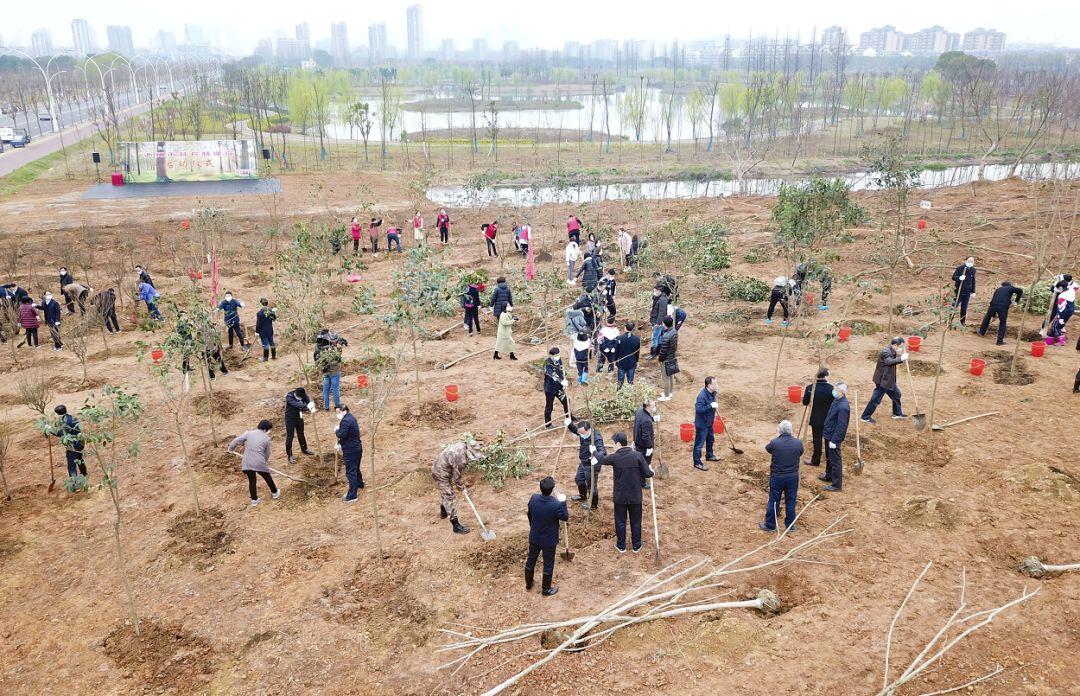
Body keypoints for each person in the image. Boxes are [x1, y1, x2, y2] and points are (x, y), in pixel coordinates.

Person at [602, 432, 654, 553]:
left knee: (620, 521)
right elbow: (647, 473)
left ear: (618, 444)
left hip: (620, 497)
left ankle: (621, 546)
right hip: (635, 496)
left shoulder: (615, 457)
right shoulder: (637, 456)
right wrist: (652, 472)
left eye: (614, 444)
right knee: (636, 521)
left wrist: (593, 452)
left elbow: (602, 460)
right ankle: (636, 545)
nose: (613, 446)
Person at [525, 476, 569, 596]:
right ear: (552, 490)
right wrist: (563, 502)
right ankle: (546, 589)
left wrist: (532, 525)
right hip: (549, 540)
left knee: (531, 560)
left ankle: (528, 584)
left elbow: (529, 513)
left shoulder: (533, 498)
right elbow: (565, 517)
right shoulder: (556, 504)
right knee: (548, 564)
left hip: (534, 536)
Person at [432, 438, 485, 534]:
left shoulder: (463, 446)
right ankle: (455, 525)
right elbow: (456, 479)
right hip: (440, 473)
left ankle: (443, 511)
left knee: (445, 492)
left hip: (441, 466)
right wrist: (462, 488)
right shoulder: (460, 459)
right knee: (450, 496)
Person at [760, 420, 803, 532]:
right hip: (792, 477)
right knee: (791, 500)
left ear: (779, 430)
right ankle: (790, 525)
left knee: (774, 500)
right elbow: (800, 452)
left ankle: (770, 525)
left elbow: (768, 448)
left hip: (777, 477)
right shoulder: (798, 443)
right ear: (790, 431)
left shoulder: (775, 443)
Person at [228, 420, 280, 507]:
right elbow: (266, 454)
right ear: (266, 429)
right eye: (269, 430)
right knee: (267, 477)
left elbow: (237, 440)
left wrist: (231, 449)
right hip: (259, 462)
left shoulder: (249, 433)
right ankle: (275, 493)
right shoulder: (267, 439)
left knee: (252, 480)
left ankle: (254, 500)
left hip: (247, 462)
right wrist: (264, 463)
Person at [860, 337, 908, 424]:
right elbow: (889, 361)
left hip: (889, 380)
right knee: (875, 399)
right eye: (899, 347)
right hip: (883, 381)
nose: (900, 349)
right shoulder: (886, 352)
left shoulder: (892, 350)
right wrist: (901, 358)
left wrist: (900, 357)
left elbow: (892, 361)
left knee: (896, 394)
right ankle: (865, 417)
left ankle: (897, 413)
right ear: (894, 345)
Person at [568, 420, 606, 509]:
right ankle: (582, 496)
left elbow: (603, 453)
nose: (581, 435)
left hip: (592, 464)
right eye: (580, 433)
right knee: (579, 479)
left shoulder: (596, 438)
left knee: (591, 485)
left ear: (589, 430)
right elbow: (575, 430)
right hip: (583, 461)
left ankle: (593, 504)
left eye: (583, 433)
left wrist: (595, 454)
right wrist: (569, 424)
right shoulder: (582, 433)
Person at [820, 382, 850, 492]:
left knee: (835, 460)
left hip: (833, 437)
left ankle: (837, 484)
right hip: (828, 434)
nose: (834, 391)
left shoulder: (843, 406)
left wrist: (835, 440)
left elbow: (842, 426)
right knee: (829, 457)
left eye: (836, 389)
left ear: (841, 392)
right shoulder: (837, 400)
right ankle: (829, 475)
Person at [801, 368, 834, 467]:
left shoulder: (810, 388)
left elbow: (805, 402)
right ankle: (829, 461)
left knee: (817, 439)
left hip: (815, 419)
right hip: (828, 418)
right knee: (828, 439)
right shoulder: (831, 389)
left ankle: (816, 459)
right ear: (826, 376)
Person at [978, 281, 1024, 345]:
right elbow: (1020, 291)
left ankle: (981, 332)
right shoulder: (1010, 288)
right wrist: (1016, 301)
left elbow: (993, 299)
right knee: (1002, 322)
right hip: (1002, 306)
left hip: (993, 305)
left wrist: (993, 315)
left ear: (1002, 285)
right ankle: (999, 341)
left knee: (987, 317)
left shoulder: (998, 289)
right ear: (1009, 285)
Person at [335, 405, 364, 501]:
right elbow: (348, 435)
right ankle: (360, 483)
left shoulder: (346, 421)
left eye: (338, 412)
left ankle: (352, 496)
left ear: (344, 411)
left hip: (351, 450)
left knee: (350, 472)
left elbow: (342, 434)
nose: (337, 414)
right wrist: (340, 444)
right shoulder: (350, 417)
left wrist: (337, 431)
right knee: (355, 467)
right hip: (357, 448)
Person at [315, 328, 347, 410]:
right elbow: (337, 358)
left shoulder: (318, 346)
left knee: (326, 390)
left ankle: (326, 407)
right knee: (335, 389)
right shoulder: (330, 348)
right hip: (334, 371)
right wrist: (339, 348)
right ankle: (337, 406)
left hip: (325, 372)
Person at [692, 376, 720, 471]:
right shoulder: (701, 396)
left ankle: (709, 455)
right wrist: (710, 406)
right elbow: (699, 409)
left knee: (710, 439)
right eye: (715, 384)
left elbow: (713, 401)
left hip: (709, 422)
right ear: (709, 385)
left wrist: (714, 405)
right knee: (699, 445)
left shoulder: (713, 392)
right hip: (702, 424)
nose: (717, 385)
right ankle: (697, 462)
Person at [283, 387, 316, 464]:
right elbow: (297, 404)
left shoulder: (303, 395)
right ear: (295, 393)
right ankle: (290, 455)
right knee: (290, 436)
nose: (300, 398)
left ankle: (304, 449)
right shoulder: (289, 396)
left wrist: (311, 406)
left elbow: (308, 401)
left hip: (299, 416)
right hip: (290, 418)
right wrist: (307, 406)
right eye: (299, 397)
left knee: (301, 433)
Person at [53, 405, 86, 478]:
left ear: (58, 414)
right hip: (80, 443)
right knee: (79, 458)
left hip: (72, 446)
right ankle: (84, 473)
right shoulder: (73, 418)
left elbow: (61, 434)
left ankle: (74, 484)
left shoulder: (63, 422)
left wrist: (50, 430)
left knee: (71, 464)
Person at [543, 347, 571, 428]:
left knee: (566, 402)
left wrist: (564, 381)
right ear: (551, 355)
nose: (558, 356)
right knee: (549, 406)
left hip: (559, 388)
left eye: (558, 354)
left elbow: (561, 371)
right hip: (550, 388)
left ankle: (569, 417)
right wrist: (561, 381)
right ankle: (548, 424)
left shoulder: (559, 360)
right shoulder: (547, 364)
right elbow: (552, 375)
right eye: (556, 355)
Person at [632, 399, 656, 489]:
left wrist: (653, 419)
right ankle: (642, 483)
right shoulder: (646, 421)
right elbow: (645, 437)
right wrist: (649, 447)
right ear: (648, 407)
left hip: (637, 441)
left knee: (641, 462)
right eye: (653, 406)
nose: (654, 408)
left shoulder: (640, 411)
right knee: (644, 463)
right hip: (643, 446)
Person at [1047, 280, 1077, 346]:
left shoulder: (1062, 296)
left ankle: (1061, 341)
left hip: (1064, 313)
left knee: (1055, 326)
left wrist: (1061, 318)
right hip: (1070, 310)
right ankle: (1049, 341)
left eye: (1058, 288)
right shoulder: (1071, 290)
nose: (1057, 290)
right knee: (1055, 325)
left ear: (1061, 288)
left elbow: (1062, 309)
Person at [656, 316, 679, 401]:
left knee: (666, 378)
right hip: (672, 356)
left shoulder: (666, 336)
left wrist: (660, 359)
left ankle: (666, 395)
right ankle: (670, 392)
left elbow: (663, 351)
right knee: (671, 375)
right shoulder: (674, 331)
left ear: (665, 324)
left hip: (666, 358)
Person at [951, 256, 977, 325]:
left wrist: (973, 291)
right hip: (958, 291)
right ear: (966, 261)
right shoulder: (960, 268)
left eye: (972, 262)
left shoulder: (973, 270)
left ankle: (962, 322)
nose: (970, 263)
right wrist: (959, 278)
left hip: (967, 292)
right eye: (969, 261)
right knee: (954, 306)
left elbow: (973, 281)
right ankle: (949, 320)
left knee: (964, 308)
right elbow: (953, 277)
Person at [615, 321, 640, 389]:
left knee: (620, 380)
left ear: (625, 328)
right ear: (632, 329)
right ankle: (629, 394)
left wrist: (615, 360)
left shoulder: (620, 338)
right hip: (632, 362)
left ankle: (619, 394)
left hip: (621, 362)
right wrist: (636, 360)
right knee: (630, 381)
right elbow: (637, 352)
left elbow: (616, 351)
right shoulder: (637, 339)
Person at [648, 286, 670, 359]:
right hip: (655, 320)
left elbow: (662, 312)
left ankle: (653, 353)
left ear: (659, 291)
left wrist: (658, 323)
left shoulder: (663, 300)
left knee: (655, 337)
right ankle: (657, 351)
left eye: (655, 291)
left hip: (658, 322)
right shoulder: (658, 298)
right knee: (659, 336)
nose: (654, 292)